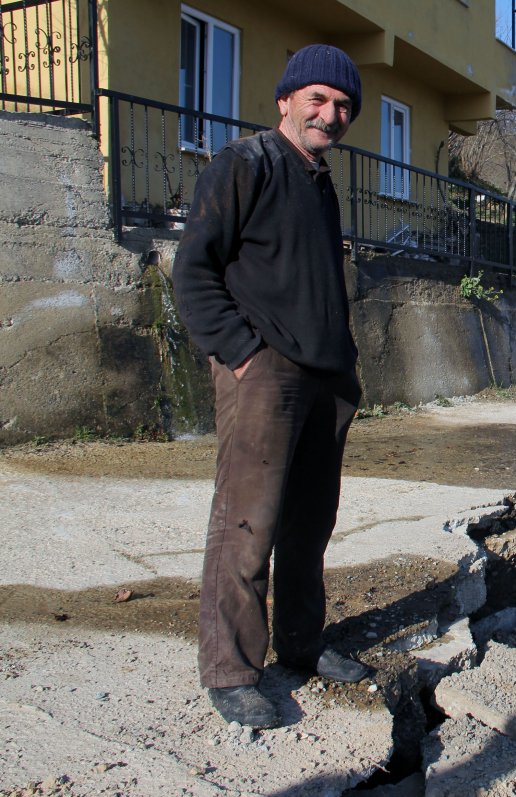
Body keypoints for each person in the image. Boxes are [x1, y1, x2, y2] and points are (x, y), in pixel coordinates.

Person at [173, 44, 368, 729]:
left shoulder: (319, 181)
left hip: (325, 379)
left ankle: (302, 644)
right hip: (264, 373)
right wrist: (243, 355)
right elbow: (193, 271)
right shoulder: (244, 164)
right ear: (286, 100)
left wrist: (343, 364)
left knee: (309, 524)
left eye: (343, 105)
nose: (330, 114)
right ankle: (231, 670)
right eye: (318, 99)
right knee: (246, 521)